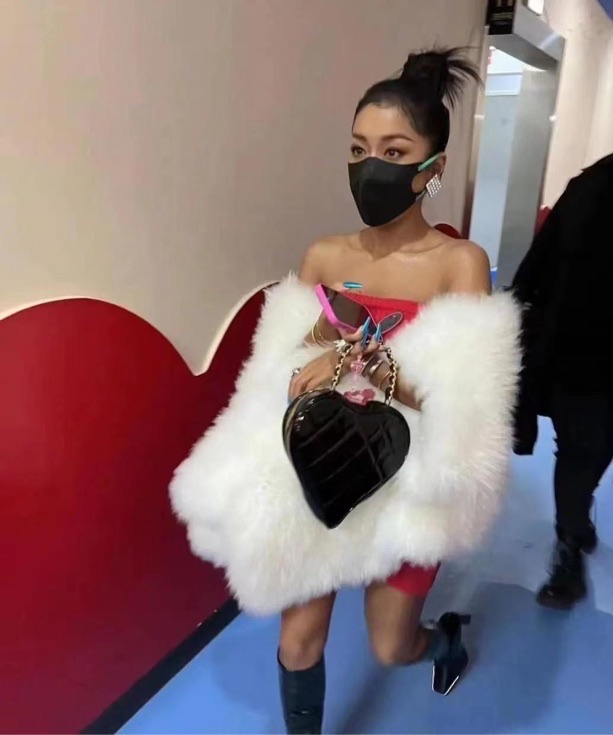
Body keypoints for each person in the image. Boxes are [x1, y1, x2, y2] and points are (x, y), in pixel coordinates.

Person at [170, 47, 520, 734]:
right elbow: (282, 365)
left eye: (394, 150)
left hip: (407, 471)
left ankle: (443, 638)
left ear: (433, 167)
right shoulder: (326, 256)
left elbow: (466, 400)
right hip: (325, 459)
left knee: (391, 646)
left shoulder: (460, 262)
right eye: (359, 149)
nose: (371, 166)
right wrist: (321, 356)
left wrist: (367, 366)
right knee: (297, 640)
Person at [512, 98, 613, 611]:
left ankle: (578, 513)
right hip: (577, 354)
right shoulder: (591, 188)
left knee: (604, 444)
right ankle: (567, 544)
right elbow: (541, 265)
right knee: (578, 448)